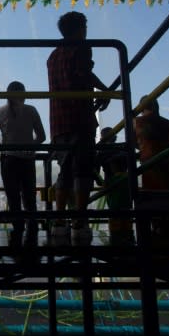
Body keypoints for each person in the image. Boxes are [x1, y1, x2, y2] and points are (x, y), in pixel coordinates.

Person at [47, 12, 109, 245]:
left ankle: (60, 222)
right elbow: (84, 75)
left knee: (64, 171)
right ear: (81, 28)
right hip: (80, 117)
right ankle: (79, 222)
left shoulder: (53, 56)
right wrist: (104, 90)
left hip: (58, 121)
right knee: (82, 172)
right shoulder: (81, 47)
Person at [0, 81, 46, 243]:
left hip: (8, 159)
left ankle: (18, 229)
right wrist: (29, 146)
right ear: (24, 94)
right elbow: (41, 137)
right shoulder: (31, 110)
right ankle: (32, 229)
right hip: (27, 159)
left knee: (13, 197)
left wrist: (5, 149)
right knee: (29, 196)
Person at [134, 95, 169, 244]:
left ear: (142, 108)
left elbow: (135, 142)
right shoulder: (168, 123)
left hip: (150, 165)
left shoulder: (138, 122)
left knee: (153, 199)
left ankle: (157, 231)